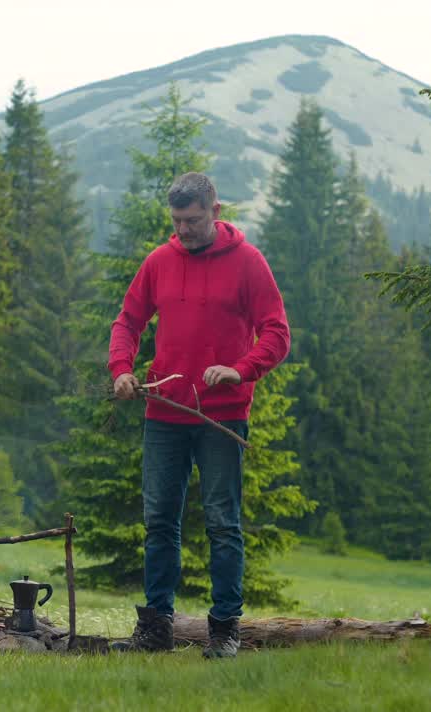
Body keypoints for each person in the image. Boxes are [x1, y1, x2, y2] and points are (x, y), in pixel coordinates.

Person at [107, 172, 290, 659]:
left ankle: (225, 631)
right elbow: (128, 321)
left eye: (192, 220)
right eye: (177, 221)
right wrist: (122, 369)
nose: (183, 230)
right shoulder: (160, 262)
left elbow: (277, 333)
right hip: (165, 413)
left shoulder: (248, 262)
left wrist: (240, 369)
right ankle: (156, 630)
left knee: (222, 523)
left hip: (222, 419)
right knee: (160, 521)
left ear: (215, 210)